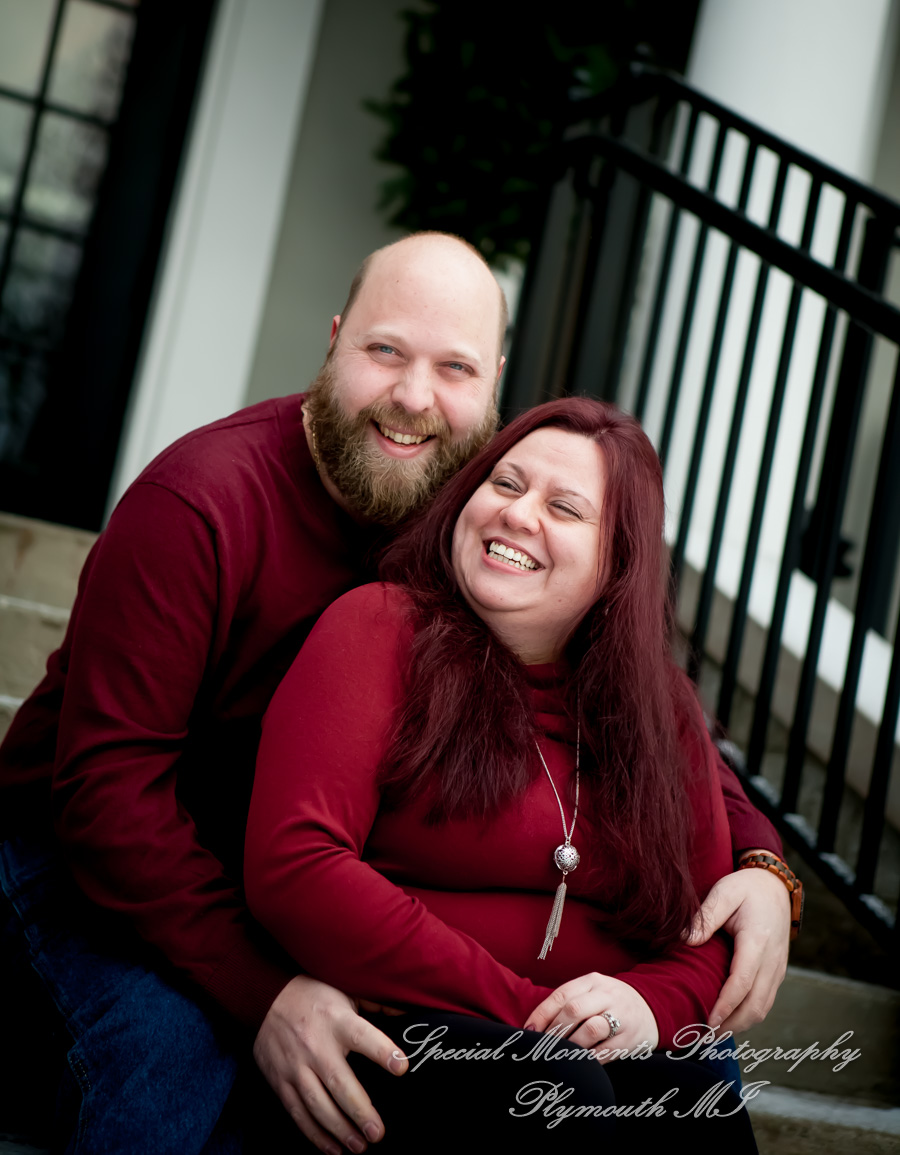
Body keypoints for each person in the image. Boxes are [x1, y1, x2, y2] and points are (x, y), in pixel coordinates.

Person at [0, 233, 789, 1154]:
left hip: (272, 878)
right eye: (385, 351)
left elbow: (641, 708)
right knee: (168, 1061)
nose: (415, 397)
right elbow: (106, 798)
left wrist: (764, 866)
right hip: (84, 863)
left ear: (493, 381)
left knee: (697, 1086)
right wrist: (270, 989)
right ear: (334, 342)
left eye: (453, 367)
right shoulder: (199, 504)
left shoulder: (469, 498)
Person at [244, 398, 759, 1150]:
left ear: (618, 563)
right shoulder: (380, 626)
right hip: (395, 1025)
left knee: (690, 1094)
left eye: (564, 507)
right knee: (556, 1088)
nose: (519, 515)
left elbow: (704, 927)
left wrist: (646, 1007)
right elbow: (296, 863)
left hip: (578, 1043)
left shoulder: (662, 709)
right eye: (506, 483)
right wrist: (531, 1012)